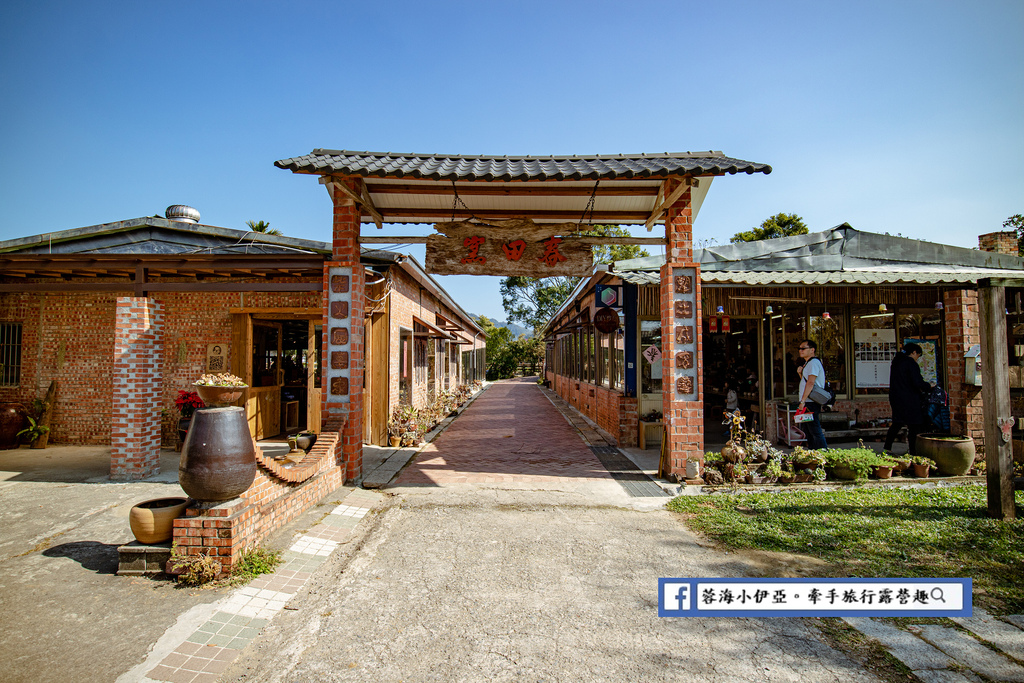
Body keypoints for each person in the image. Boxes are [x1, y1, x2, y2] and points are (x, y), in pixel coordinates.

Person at [884, 342, 933, 455]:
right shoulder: (910, 363)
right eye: (918, 356)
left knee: (897, 423)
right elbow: (917, 382)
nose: (917, 359)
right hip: (910, 399)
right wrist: (928, 386)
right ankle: (913, 451)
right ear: (914, 352)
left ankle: (887, 447)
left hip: (896, 397)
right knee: (914, 425)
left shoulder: (896, 362)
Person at [796, 339, 828, 449]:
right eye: (800, 349)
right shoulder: (808, 363)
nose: (801, 351)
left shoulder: (813, 363)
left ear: (812, 350)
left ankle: (823, 453)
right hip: (808, 401)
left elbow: (811, 382)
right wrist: (800, 374)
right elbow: (806, 382)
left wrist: (803, 401)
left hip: (810, 402)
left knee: (815, 430)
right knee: (809, 430)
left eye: (803, 348)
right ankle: (813, 453)